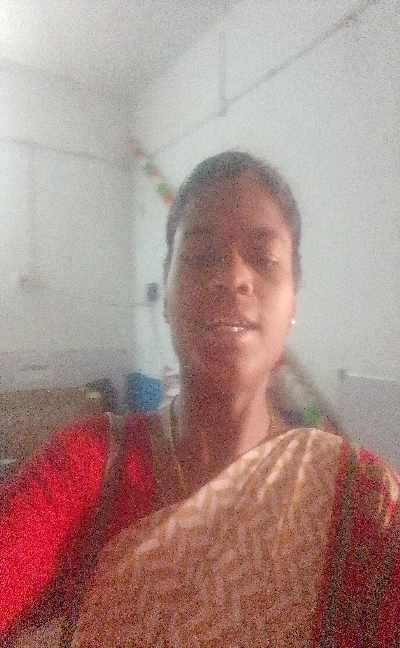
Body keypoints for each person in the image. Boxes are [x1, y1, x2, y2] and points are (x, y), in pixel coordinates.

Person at [1, 152, 399, 647]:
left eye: (263, 258)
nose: (232, 277)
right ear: (166, 296)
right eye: (202, 256)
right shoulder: (93, 465)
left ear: (293, 302)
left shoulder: (355, 496)